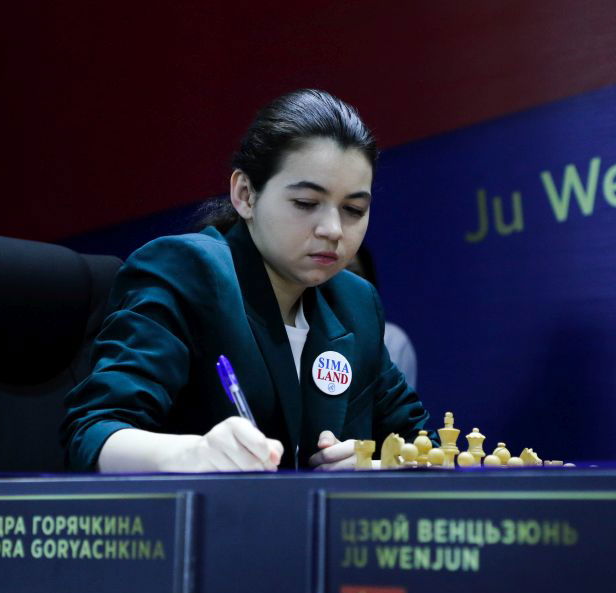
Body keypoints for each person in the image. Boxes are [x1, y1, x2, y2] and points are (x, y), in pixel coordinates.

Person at [62, 89, 429, 473]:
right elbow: (93, 431)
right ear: (245, 195)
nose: (333, 229)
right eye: (306, 203)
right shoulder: (185, 271)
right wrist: (193, 454)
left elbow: (424, 445)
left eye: (353, 209)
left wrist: (379, 463)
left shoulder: (355, 302)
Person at [346, 245, 418, 388]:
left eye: (353, 273)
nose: (343, 282)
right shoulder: (307, 332)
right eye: (336, 273)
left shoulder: (392, 340)